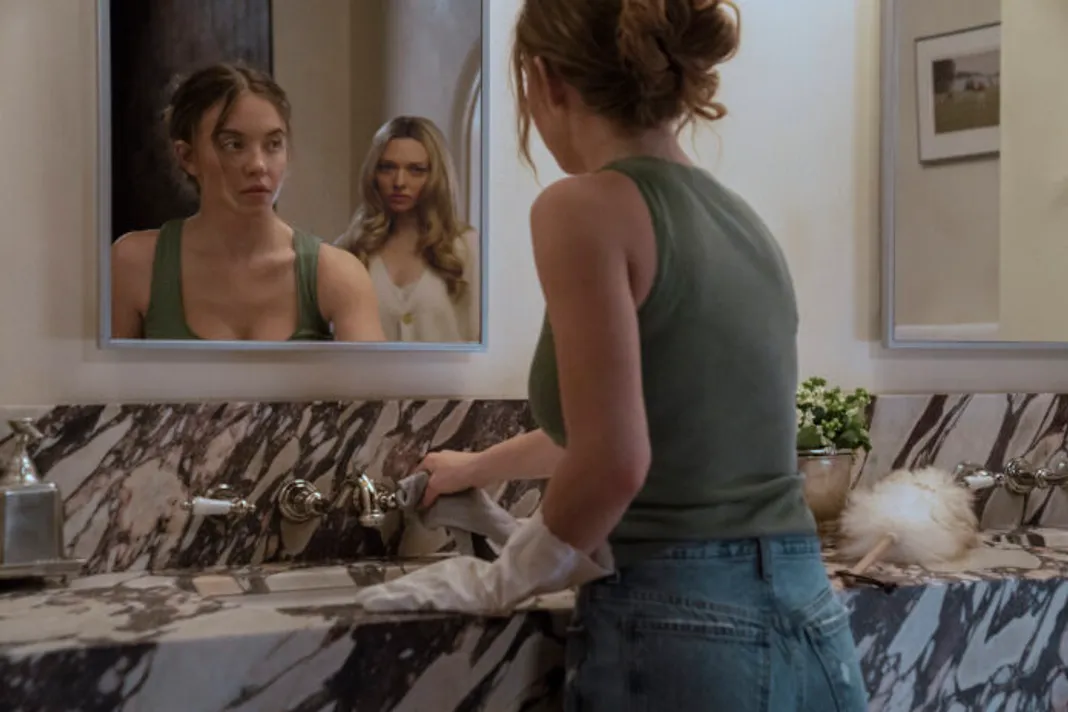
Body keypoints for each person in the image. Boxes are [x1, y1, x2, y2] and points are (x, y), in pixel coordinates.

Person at [352, 0, 869, 709]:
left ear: (544, 79)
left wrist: (505, 578)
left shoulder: (580, 207)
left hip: (684, 625)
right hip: (811, 623)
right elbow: (640, 423)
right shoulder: (744, 223)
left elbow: (615, 461)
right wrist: (477, 468)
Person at [111, 63, 385, 342]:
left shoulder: (336, 274)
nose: (258, 165)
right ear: (188, 157)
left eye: (273, 144)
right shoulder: (136, 264)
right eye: (233, 145)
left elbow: (371, 371)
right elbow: (99, 369)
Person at [336, 116, 479, 343]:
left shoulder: (466, 247)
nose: (399, 182)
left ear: (436, 176)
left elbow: (480, 339)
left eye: (416, 170)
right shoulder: (349, 249)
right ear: (374, 173)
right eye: (387, 168)